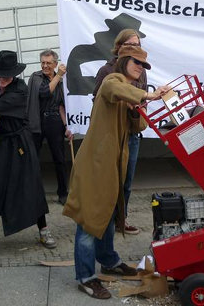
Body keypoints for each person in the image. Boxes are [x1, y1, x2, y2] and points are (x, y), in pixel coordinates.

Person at [63, 45, 170, 299]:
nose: (140, 68)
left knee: (108, 214)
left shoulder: (129, 92)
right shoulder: (113, 79)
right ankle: (86, 277)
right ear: (123, 60)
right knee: (89, 220)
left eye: (144, 65)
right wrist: (148, 96)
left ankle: (109, 261)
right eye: (136, 62)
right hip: (95, 166)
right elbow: (111, 89)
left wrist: (136, 108)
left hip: (111, 166)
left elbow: (140, 125)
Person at [0, 50, 56, 249]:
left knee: (31, 187)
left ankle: (43, 229)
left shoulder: (21, 89)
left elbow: (2, 105)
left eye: (7, 76)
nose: (3, 80)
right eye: (0, 76)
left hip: (19, 145)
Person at [93, 29, 146, 235]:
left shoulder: (140, 69)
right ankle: (103, 219)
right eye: (131, 45)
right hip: (112, 136)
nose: (136, 49)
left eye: (138, 45)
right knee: (108, 182)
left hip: (132, 134)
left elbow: (142, 103)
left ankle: (120, 220)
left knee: (127, 182)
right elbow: (99, 100)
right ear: (119, 46)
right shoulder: (107, 72)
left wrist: (138, 112)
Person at [27, 49, 73, 205]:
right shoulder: (36, 77)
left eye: (48, 63)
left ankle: (62, 192)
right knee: (33, 159)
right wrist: (59, 75)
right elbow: (44, 93)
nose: (45, 66)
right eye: (43, 63)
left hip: (55, 122)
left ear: (55, 63)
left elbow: (60, 105)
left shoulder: (60, 81)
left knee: (59, 158)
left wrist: (67, 125)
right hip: (38, 121)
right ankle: (33, 193)